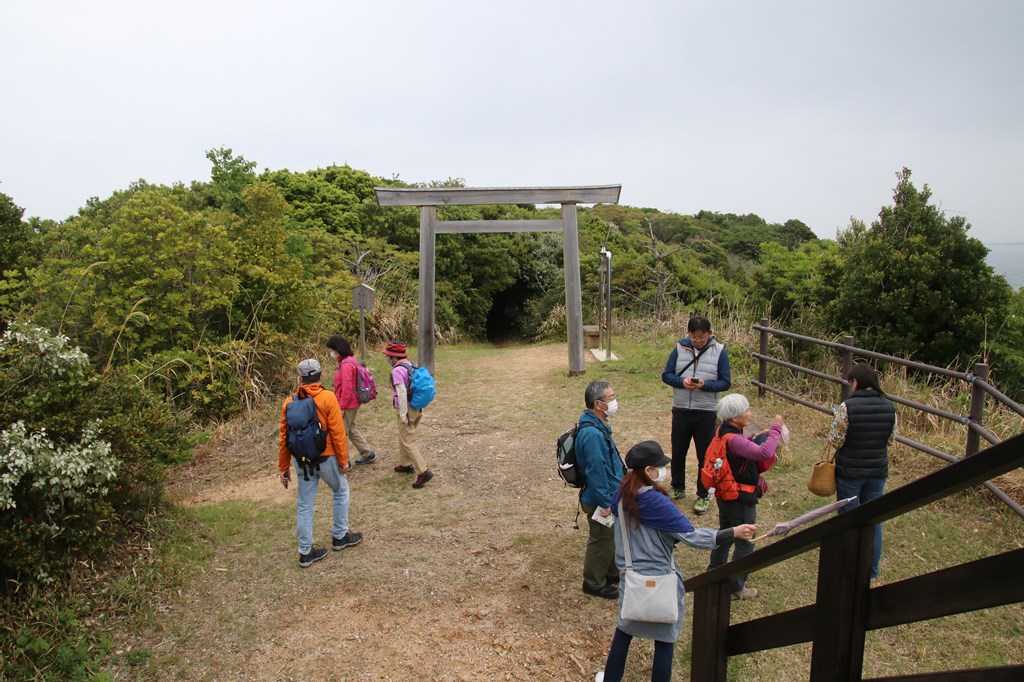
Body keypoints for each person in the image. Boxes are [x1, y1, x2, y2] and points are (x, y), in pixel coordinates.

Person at [594, 441, 756, 682]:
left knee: (623, 634)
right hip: (662, 582)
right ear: (648, 471)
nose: (664, 471)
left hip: (631, 580)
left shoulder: (621, 495)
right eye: (660, 466)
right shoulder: (656, 503)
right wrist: (732, 532)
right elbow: (691, 537)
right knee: (664, 641)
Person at [278, 358, 363, 568]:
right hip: (327, 457)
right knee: (340, 491)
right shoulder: (327, 397)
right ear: (319, 375)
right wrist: (344, 461)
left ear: (300, 378)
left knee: (304, 504)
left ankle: (305, 552)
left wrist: (283, 468)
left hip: (302, 462)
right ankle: (340, 536)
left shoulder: (289, 402)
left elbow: (284, 438)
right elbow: (338, 433)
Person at [706, 393, 782, 600]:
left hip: (726, 494)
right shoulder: (733, 439)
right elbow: (765, 453)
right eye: (746, 410)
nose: (750, 413)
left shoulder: (723, 430)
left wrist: (755, 437)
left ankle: (714, 572)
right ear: (734, 417)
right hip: (740, 497)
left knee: (725, 533)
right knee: (745, 541)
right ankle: (736, 587)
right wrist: (776, 429)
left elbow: (742, 449)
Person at [827, 363, 896, 581]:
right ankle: (871, 570)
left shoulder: (847, 407)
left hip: (850, 471)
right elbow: (891, 439)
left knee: (848, 519)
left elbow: (835, 439)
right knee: (873, 520)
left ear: (856, 382)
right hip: (877, 470)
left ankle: (848, 567)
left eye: (851, 382)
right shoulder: (890, 406)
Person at [660, 315, 731, 514]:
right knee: (678, 451)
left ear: (709, 333)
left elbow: (725, 382)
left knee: (705, 455)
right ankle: (677, 487)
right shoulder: (679, 348)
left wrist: (704, 385)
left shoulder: (720, 351)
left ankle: (703, 494)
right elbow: (666, 375)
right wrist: (682, 382)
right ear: (688, 333)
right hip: (681, 409)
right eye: (694, 336)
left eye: (702, 336)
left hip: (707, 412)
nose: (698, 340)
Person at [575, 380, 626, 599]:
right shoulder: (592, 434)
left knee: (611, 536)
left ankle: (611, 573)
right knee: (601, 539)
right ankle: (593, 583)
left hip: (608, 494)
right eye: (611, 397)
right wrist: (605, 503)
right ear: (598, 404)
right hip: (599, 498)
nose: (615, 401)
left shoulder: (598, 425)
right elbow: (596, 472)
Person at [382, 342, 433, 489]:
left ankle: (423, 471)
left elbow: (402, 393)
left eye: (388, 356)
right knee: (404, 436)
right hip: (416, 406)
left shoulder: (397, 371)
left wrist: (403, 414)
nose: (387, 359)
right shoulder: (410, 364)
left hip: (407, 408)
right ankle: (405, 464)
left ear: (394, 357)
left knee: (408, 441)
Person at [326, 335, 378, 465]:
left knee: (341, 433)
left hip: (348, 404)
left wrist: (341, 407)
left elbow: (347, 388)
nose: (331, 353)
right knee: (351, 429)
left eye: (331, 350)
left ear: (338, 349)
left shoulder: (346, 365)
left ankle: (344, 462)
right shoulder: (349, 361)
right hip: (352, 402)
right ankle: (367, 453)